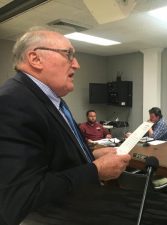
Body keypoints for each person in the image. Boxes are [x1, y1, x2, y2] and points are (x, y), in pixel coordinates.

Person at [0, 27, 131, 225]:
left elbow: (49, 157)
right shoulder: (11, 103)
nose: (76, 65)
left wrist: (89, 156)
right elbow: (22, 198)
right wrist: (95, 171)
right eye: (68, 54)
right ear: (35, 59)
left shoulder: (50, 99)